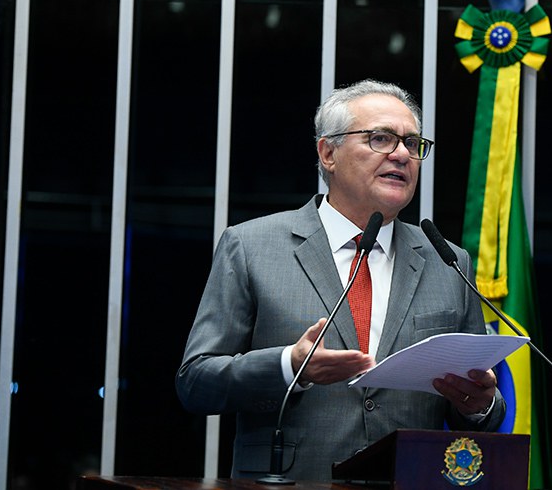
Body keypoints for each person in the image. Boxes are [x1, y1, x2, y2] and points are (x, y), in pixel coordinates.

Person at [175, 79, 506, 482]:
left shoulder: (447, 261)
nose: (402, 154)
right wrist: (289, 365)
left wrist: (480, 405)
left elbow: (479, 415)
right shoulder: (251, 246)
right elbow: (196, 382)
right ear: (328, 152)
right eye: (381, 138)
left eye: (412, 143)